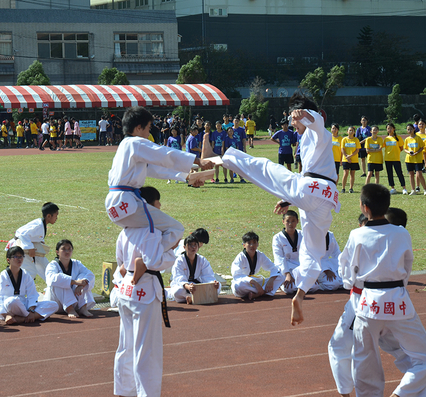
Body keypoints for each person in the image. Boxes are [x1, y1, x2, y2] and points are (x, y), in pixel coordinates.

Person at [219, 92, 340, 325]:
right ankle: (300, 295)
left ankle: (228, 158)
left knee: (266, 168)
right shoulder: (304, 139)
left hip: (314, 187)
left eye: (292, 118)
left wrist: (304, 113)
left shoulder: (318, 130)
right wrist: (290, 200)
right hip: (324, 198)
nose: (292, 121)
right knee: (313, 253)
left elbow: (317, 120)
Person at [339, 184, 426, 397]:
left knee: (365, 361)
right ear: (387, 205)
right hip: (398, 302)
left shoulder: (357, 234)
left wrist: (352, 285)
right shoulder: (401, 234)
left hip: (368, 304)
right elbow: (407, 266)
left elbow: (347, 270)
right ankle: (401, 394)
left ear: (364, 207)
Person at [105, 106, 212, 263]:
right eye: (148, 128)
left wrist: (187, 177)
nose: (149, 133)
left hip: (117, 203)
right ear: (138, 127)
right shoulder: (135, 143)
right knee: (175, 229)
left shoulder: (126, 146)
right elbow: (164, 154)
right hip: (126, 202)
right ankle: (148, 258)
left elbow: (155, 169)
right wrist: (197, 160)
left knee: (143, 231)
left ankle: (133, 262)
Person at [328, 208, 406, 397]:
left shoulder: (360, 237)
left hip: (362, 303)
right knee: (407, 352)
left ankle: (346, 393)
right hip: (394, 300)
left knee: (345, 348)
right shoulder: (401, 237)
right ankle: (411, 386)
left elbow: (346, 274)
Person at [113, 226, 174, 397]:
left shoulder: (125, 231)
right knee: (147, 349)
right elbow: (155, 261)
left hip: (126, 289)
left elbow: (120, 261)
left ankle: (124, 390)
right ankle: (147, 394)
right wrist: (170, 253)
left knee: (126, 344)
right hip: (145, 288)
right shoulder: (152, 230)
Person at [0, 247, 58, 324]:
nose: (19, 259)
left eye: (21, 256)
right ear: (8, 260)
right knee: (12, 301)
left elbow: (32, 294)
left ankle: (22, 318)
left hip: (24, 305)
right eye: (16, 257)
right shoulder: (4, 275)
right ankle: (32, 316)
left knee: (53, 305)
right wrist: (5, 315)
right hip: (10, 306)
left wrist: (31, 310)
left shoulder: (25, 274)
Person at [7, 202, 59, 280]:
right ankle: (21, 289)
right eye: (56, 216)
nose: (56, 218)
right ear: (49, 216)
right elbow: (22, 234)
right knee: (30, 272)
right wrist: (30, 248)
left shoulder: (41, 224)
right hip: (20, 248)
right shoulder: (38, 225)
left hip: (29, 247)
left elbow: (33, 235)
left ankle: (52, 285)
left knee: (46, 267)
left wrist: (40, 241)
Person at [44, 239, 95, 318]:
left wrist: (81, 285)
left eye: (69, 249)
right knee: (60, 280)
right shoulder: (52, 265)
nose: (67, 251)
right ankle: (69, 308)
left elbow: (90, 274)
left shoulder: (77, 263)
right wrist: (75, 282)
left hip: (75, 300)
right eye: (63, 249)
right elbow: (51, 278)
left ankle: (83, 307)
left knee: (84, 278)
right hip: (56, 303)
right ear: (57, 252)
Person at [272, 210, 319, 295]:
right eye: (288, 221)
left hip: (300, 266)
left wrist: (311, 273)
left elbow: (309, 253)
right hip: (286, 267)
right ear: (283, 222)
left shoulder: (303, 234)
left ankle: (299, 285)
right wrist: (287, 274)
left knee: (314, 287)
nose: (290, 224)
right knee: (289, 289)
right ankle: (285, 283)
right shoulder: (277, 238)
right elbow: (279, 258)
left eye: (293, 221)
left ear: (297, 221)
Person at [231, 231, 285, 300]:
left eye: (254, 243)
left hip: (255, 281)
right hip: (245, 283)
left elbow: (274, 268)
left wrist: (271, 280)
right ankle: (262, 292)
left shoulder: (260, 255)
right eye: (249, 243)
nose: (252, 245)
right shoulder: (240, 257)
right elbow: (236, 275)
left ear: (257, 244)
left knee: (281, 276)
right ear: (244, 245)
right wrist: (254, 282)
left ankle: (257, 293)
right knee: (238, 286)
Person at [168, 235, 220, 304]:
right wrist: (188, 286)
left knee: (218, 287)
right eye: (190, 245)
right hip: (184, 286)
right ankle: (193, 297)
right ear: (184, 247)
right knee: (177, 291)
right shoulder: (180, 261)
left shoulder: (202, 260)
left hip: (196, 286)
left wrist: (213, 283)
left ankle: (193, 298)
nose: (193, 247)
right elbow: (179, 277)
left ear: (198, 247)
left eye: (195, 245)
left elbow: (208, 276)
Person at [404, 123, 426, 195]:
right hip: (409, 159)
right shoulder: (407, 139)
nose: (410, 130)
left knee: (419, 174)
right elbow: (405, 149)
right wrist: (409, 152)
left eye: (411, 129)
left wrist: (417, 152)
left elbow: (422, 147)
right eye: (408, 129)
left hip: (417, 159)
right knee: (411, 174)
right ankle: (413, 190)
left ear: (414, 129)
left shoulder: (418, 138)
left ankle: (425, 189)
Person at [384, 123, 407, 194]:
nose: (389, 130)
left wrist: (395, 152)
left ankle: (404, 188)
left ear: (394, 129)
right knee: (389, 173)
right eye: (388, 128)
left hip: (396, 158)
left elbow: (401, 148)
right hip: (388, 159)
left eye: (391, 128)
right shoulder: (386, 139)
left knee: (399, 173)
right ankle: (392, 188)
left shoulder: (398, 138)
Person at [341, 126, 360, 193]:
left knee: (352, 174)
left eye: (352, 130)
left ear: (354, 132)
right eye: (349, 130)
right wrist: (347, 157)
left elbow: (357, 150)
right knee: (345, 173)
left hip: (354, 159)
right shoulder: (344, 139)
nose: (351, 132)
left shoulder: (356, 140)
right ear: (347, 131)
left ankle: (351, 188)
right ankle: (343, 188)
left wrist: (350, 156)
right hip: (345, 159)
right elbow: (342, 149)